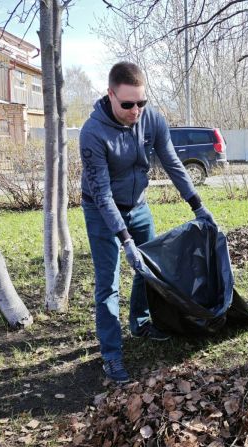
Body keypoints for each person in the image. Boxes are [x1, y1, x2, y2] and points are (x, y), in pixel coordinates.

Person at [80, 62, 216, 384]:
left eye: (141, 102)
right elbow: (101, 194)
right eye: (128, 104)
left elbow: (172, 163)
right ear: (110, 95)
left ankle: (140, 323)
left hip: (138, 206)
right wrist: (125, 240)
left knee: (148, 268)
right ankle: (111, 355)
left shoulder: (151, 119)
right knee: (108, 283)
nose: (136, 110)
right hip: (101, 212)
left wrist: (198, 206)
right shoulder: (93, 133)